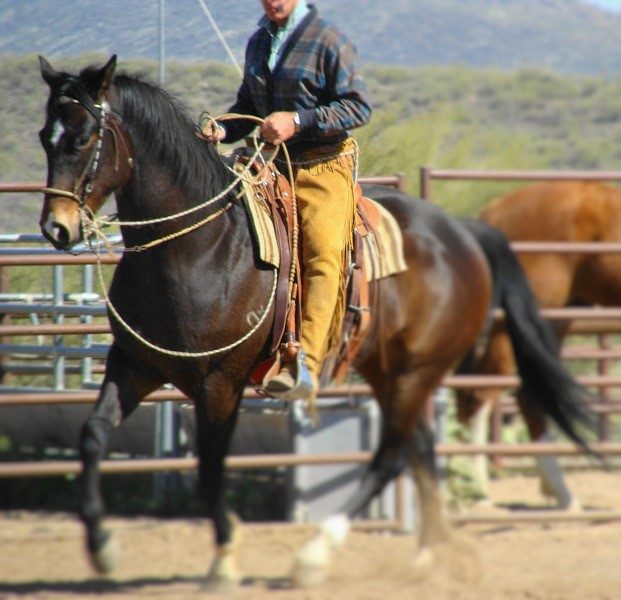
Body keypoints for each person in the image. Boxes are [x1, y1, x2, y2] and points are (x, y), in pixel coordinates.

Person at [204, 0, 372, 400]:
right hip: (268, 164)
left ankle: (308, 364)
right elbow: (248, 106)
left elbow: (358, 106)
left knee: (324, 253)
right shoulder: (258, 41)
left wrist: (298, 120)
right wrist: (223, 129)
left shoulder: (329, 40)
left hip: (322, 166)